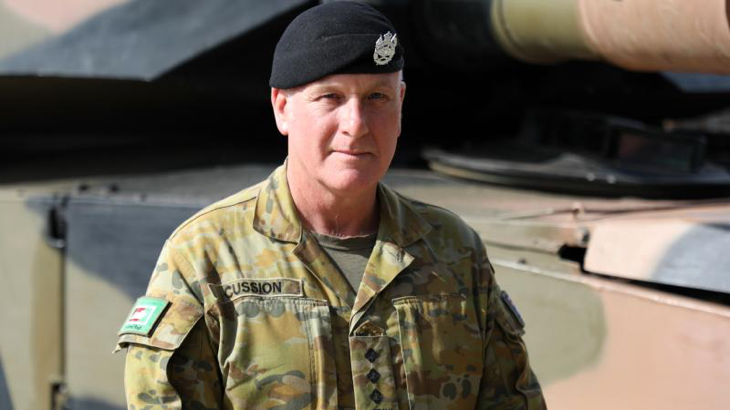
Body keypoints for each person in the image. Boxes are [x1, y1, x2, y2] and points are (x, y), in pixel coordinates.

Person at [115, 2, 545, 408]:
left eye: (377, 97)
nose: (356, 126)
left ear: (401, 104)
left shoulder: (453, 251)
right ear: (283, 109)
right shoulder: (206, 256)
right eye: (330, 98)